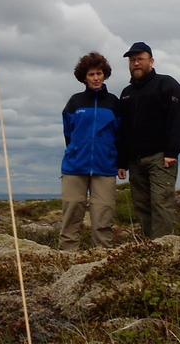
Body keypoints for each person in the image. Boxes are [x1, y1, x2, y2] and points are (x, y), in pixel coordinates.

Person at [118, 42, 180, 239]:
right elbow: (123, 129)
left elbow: (178, 119)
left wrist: (172, 152)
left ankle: (163, 250)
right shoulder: (126, 93)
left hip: (160, 158)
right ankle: (150, 248)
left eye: (140, 59)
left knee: (161, 203)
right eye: (132, 60)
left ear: (151, 61)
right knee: (141, 205)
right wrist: (122, 162)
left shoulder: (167, 84)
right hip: (135, 161)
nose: (135, 63)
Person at [60, 52, 121, 250]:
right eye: (91, 74)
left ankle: (101, 263)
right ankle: (66, 260)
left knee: (103, 219)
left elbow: (121, 135)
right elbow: (68, 133)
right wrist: (77, 151)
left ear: (105, 75)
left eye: (99, 73)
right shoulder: (74, 102)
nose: (96, 78)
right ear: (84, 78)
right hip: (75, 168)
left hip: (105, 168)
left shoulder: (114, 103)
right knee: (71, 217)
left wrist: (120, 162)